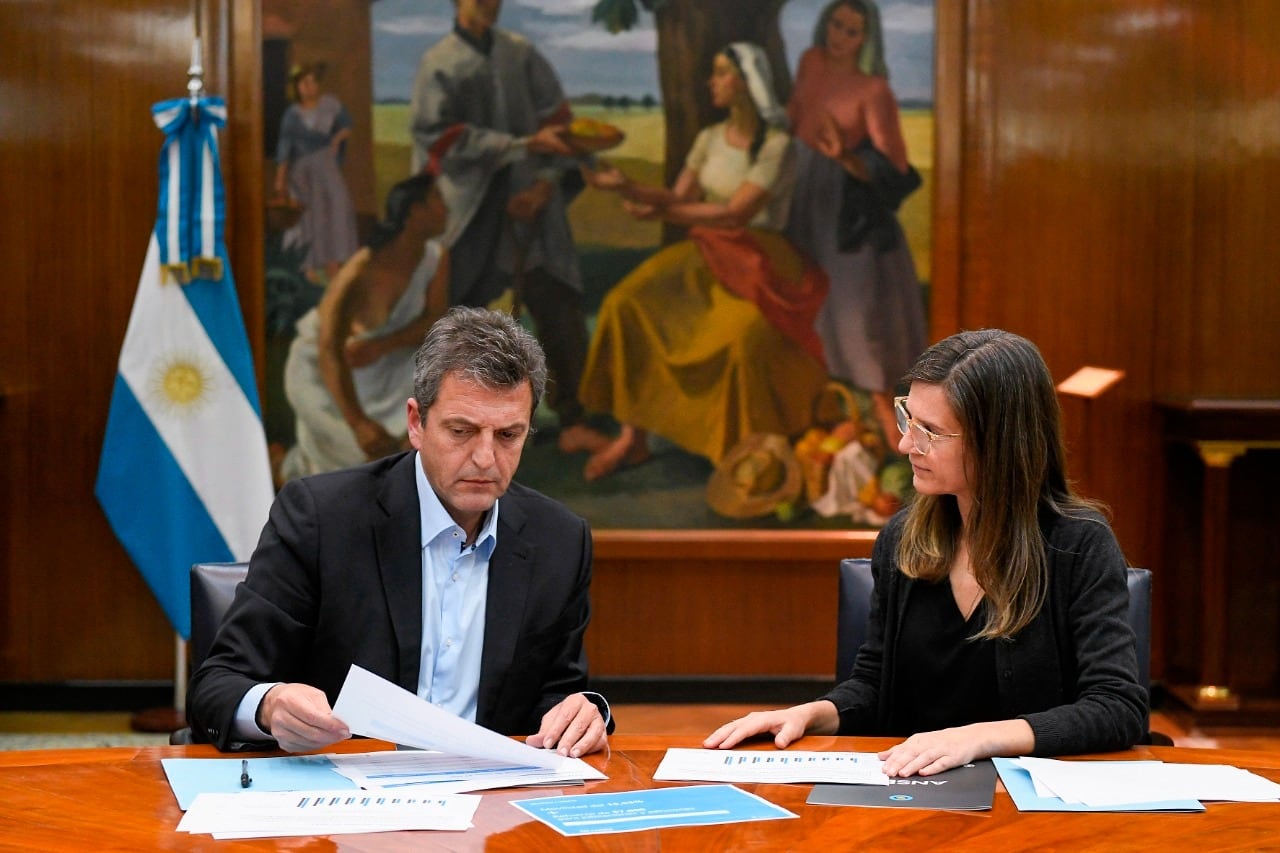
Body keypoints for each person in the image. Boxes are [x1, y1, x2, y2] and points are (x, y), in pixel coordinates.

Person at [705, 329, 1147, 776]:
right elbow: (875, 686)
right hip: (912, 791)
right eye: (907, 419)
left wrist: (980, 737)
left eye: (930, 432)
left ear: (999, 442)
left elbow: (1117, 708)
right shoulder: (902, 538)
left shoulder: (1079, 543)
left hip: (1030, 811)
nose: (904, 445)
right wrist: (809, 714)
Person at [188, 307, 613, 757]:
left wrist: (584, 712)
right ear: (416, 423)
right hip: (344, 799)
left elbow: (557, 693)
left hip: (492, 804)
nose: (486, 458)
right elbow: (218, 684)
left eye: (508, 435)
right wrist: (270, 706)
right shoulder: (321, 519)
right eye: (462, 431)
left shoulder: (559, 540)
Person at [574, 43, 830, 480]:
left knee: (741, 339)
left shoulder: (780, 146)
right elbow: (679, 199)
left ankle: (732, 452)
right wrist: (626, 188)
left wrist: (660, 210)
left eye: (721, 72)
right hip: (708, 252)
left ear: (747, 83)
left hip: (762, 258)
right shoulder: (709, 138)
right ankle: (631, 439)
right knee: (625, 301)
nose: (711, 81)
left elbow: (735, 213)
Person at [409, 0, 594, 452]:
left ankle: (574, 417)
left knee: (557, 304)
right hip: (472, 213)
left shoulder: (521, 54)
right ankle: (458, 426)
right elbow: (439, 139)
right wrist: (520, 144)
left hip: (531, 207)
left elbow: (561, 126)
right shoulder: (440, 62)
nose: (489, 5)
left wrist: (546, 185)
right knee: (458, 320)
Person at [786, 0, 928, 445]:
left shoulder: (873, 90)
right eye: (836, 23)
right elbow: (794, 117)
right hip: (805, 197)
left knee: (858, 311)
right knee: (812, 303)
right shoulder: (810, 63)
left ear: (866, 39)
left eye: (851, 30)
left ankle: (890, 421)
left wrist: (844, 157)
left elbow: (895, 167)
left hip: (849, 207)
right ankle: (829, 410)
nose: (839, 35)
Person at [278, 173, 450, 482]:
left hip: (383, 362)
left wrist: (382, 346)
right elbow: (329, 347)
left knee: (430, 393)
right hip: (326, 369)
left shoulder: (435, 258)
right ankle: (290, 465)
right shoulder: (360, 269)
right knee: (357, 461)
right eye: (437, 199)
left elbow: (433, 321)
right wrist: (358, 423)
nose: (446, 207)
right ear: (414, 210)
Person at [273, 62, 360, 283]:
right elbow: (284, 148)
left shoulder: (329, 105)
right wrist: (280, 177)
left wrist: (336, 139)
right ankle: (308, 268)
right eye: (304, 83)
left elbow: (347, 124)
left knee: (337, 208)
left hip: (327, 166)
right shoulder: (292, 115)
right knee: (310, 216)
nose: (309, 87)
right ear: (297, 87)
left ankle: (334, 264)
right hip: (302, 172)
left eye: (312, 82)